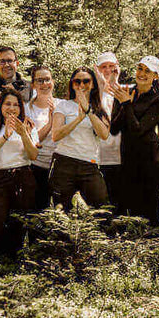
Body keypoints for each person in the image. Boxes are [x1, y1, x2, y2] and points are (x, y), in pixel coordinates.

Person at [0, 88, 39, 256]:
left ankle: (11, 263)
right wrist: (5, 136)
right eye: (7, 104)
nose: (11, 108)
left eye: (15, 105)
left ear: (21, 108)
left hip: (22, 177)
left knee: (17, 223)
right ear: (0, 106)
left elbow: (33, 155)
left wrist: (24, 134)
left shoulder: (28, 125)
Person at [110, 56, 159, 225]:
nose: (142, 73)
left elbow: (138, 130)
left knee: (149, 212)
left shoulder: (158, 100)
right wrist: (123, 103)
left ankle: (155, 247)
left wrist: (126, 104)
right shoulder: (125, 93)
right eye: (140, 68)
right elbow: (113, 129)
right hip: (129, 158)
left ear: (155, 76)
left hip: (151, 160)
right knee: (130, 208)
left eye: (147, 71)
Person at [49, 66, 110, 210]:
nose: (82, 85)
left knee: (101, 209)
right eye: (77, 82)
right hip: (64, 162)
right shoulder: (63, 105)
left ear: (93, 84)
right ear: (72, 84)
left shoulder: (99, 108)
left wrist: (88, 111)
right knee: (61, 211)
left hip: (89, 163)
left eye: (86, 81)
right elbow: (55, 135)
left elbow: (104, 135)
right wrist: (78, 119)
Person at [25, 65, 57, 210]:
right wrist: (51, 123)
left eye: (47, 79)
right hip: (35, 166)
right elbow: (31, 140)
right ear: (33, 85)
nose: (44, 84)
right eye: (40, 81)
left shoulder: (63, 105)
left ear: (53, 81)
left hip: (58, 167)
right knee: (37, 210)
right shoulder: (26, 109)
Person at [95, 52, 123, 212]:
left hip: (122, 159)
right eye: (103, 67)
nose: (108, 70)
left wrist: (114, 83)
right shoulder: (94, 95)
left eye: (111, 66)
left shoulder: (128, 90)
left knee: (120, 206)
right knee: (102, 207)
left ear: (118, 67)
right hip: (100, 159)